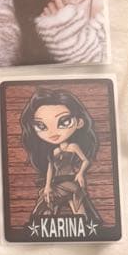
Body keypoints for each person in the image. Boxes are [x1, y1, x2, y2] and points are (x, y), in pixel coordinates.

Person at [18, 88, 101, 225]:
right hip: (56, 183)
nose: (52, 132)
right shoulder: (54, 151)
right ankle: (42, 227)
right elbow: (50, 169)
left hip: (71, 180)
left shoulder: (73, 147)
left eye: (64, 122)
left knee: (78, 206)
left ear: (79, 122)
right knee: (47, 201)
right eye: (41, 126)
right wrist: (47, 186)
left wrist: (80, 173)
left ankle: (86, 225)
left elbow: (86, 160)